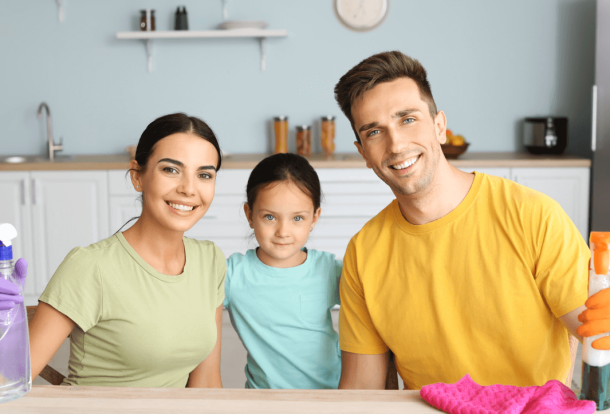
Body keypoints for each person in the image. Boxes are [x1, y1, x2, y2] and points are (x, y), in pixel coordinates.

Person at [332, 51, 590, 390]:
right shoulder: (363, 254)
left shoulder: (534, 217)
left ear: (440, 127)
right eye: (375, 132)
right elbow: (361, 393)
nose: (396, 144)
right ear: (363, 152)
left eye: (407, 119)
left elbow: (596, 334)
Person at [26, 113, 226, 387]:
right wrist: (6, 327)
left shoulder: (210, 261)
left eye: (204, 175)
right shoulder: (90, 266)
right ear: (137, 176)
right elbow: (9, 381)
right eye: (171, 169)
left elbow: (206, 382)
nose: (189, 189)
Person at [223, 153, 342, 389]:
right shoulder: (232, 274)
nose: (283, 231)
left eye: (297, 218)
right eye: (270, 217)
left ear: (314, 217)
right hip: (262, 402)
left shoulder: (329, 270)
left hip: (329, 399)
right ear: (249, 215)